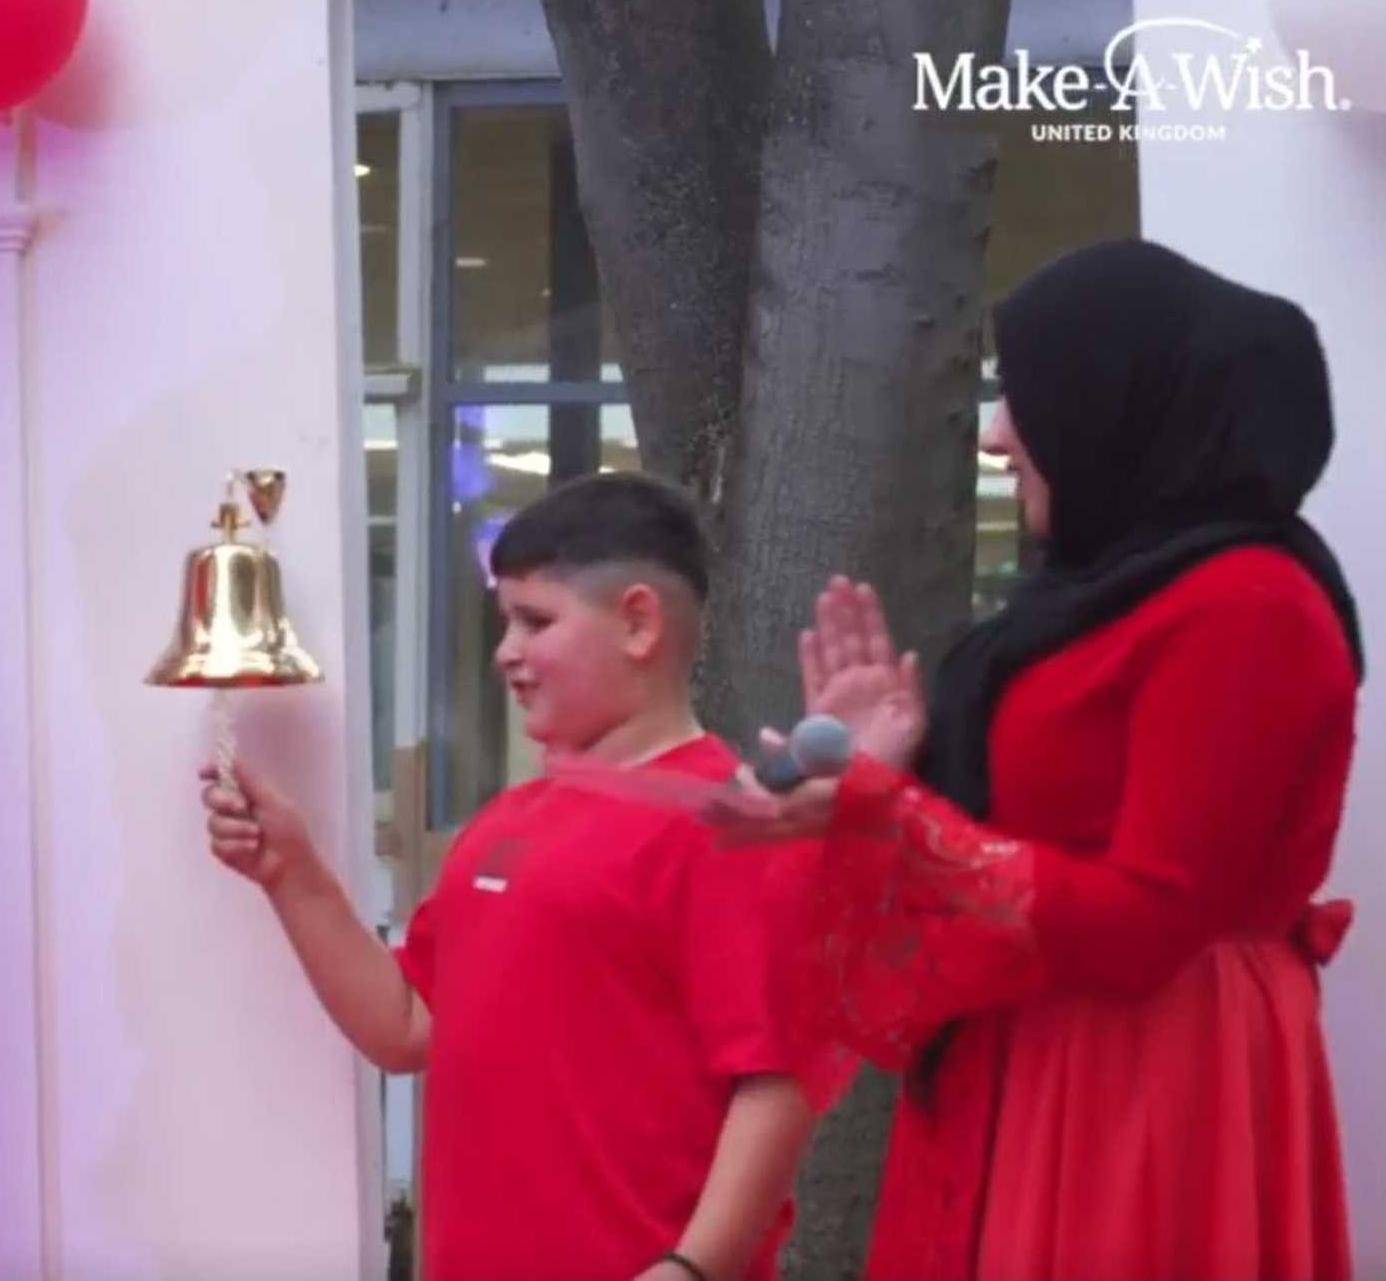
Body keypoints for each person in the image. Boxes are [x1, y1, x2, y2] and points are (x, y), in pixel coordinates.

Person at [714, 238, 1363, 1281]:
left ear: (1122, 402)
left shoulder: (1247, 604)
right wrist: (893, 765)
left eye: (1027, 395)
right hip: (1049, 1051)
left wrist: (891, 812)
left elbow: (1152, 916)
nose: (999, 437)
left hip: (1150, 1071)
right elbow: (1020, 838)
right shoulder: (1101, 593)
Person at [201, 472, 839, 1281]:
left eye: (534, 621)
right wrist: (290, 873)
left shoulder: (736, 826)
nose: (505, 651)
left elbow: (777, 1082)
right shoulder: (504, 824)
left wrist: (689, 1269)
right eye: (505, 621)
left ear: (638, 622)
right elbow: (404, 1026)